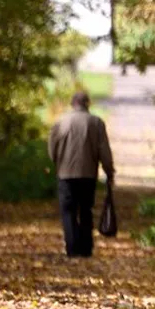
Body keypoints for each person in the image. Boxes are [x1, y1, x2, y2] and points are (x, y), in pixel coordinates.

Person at [48, 90, 115, 257]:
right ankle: (86, 248)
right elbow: (104, 151)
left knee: (68, 211)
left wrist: (58, 162)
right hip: (88, 174)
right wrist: (109, 171)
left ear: (72, 104)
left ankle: (72, 248)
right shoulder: (96, 123)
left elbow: (51, 149)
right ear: (87, 104)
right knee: (86, 210)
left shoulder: (60, 122)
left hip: (65, 174)